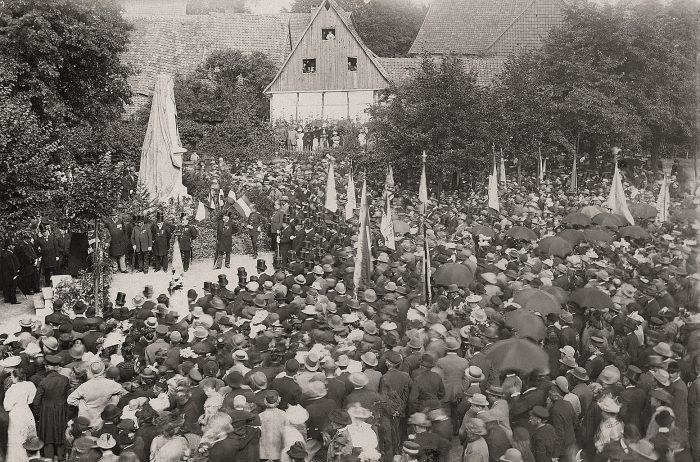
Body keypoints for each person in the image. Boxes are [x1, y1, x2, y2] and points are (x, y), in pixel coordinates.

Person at [32, 354, 70, 461]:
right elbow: (69, 398)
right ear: (57, 367)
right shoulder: (65, 380)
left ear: (47, 367)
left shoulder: (43, 382)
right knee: (61, 437)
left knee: (48, 439)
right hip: (61, 412)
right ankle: (61, 459)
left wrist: (40, 414)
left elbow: (36, 402)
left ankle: (49, 458)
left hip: (46, 413)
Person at [4, 369, 37, 462]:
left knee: (16, 437)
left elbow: (7, 406)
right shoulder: (30, 385)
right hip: (26, 411)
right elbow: (31, 400)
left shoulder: (12, 389)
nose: (11, 378)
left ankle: (16, 459)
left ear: (16, 377)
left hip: (16, 413)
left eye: (11, 376)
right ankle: (30, 458)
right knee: (28, 435)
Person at [0, 239, 20, 303]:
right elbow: (11, 266)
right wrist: (15, 274)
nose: (14, 247)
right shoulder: (9, 254)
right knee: (12, 286)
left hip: (4, 273)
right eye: (12, 245)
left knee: (6, 286)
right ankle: (13, 300)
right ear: (8, 246)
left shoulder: (3, 253)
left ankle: (7, 298)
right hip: (10, 273)